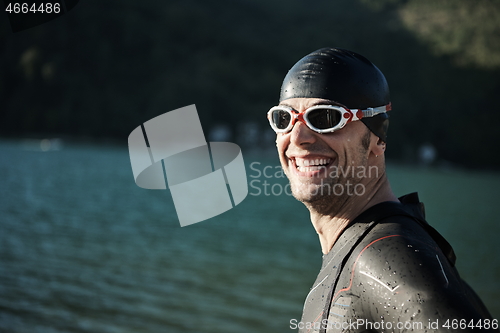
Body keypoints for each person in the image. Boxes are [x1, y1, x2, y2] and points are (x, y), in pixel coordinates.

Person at [267, 48, 496, 332]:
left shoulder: (388, 258)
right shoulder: (368, 247)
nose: (297, 138)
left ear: (377, 138)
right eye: (284, 120)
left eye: (324, 118)